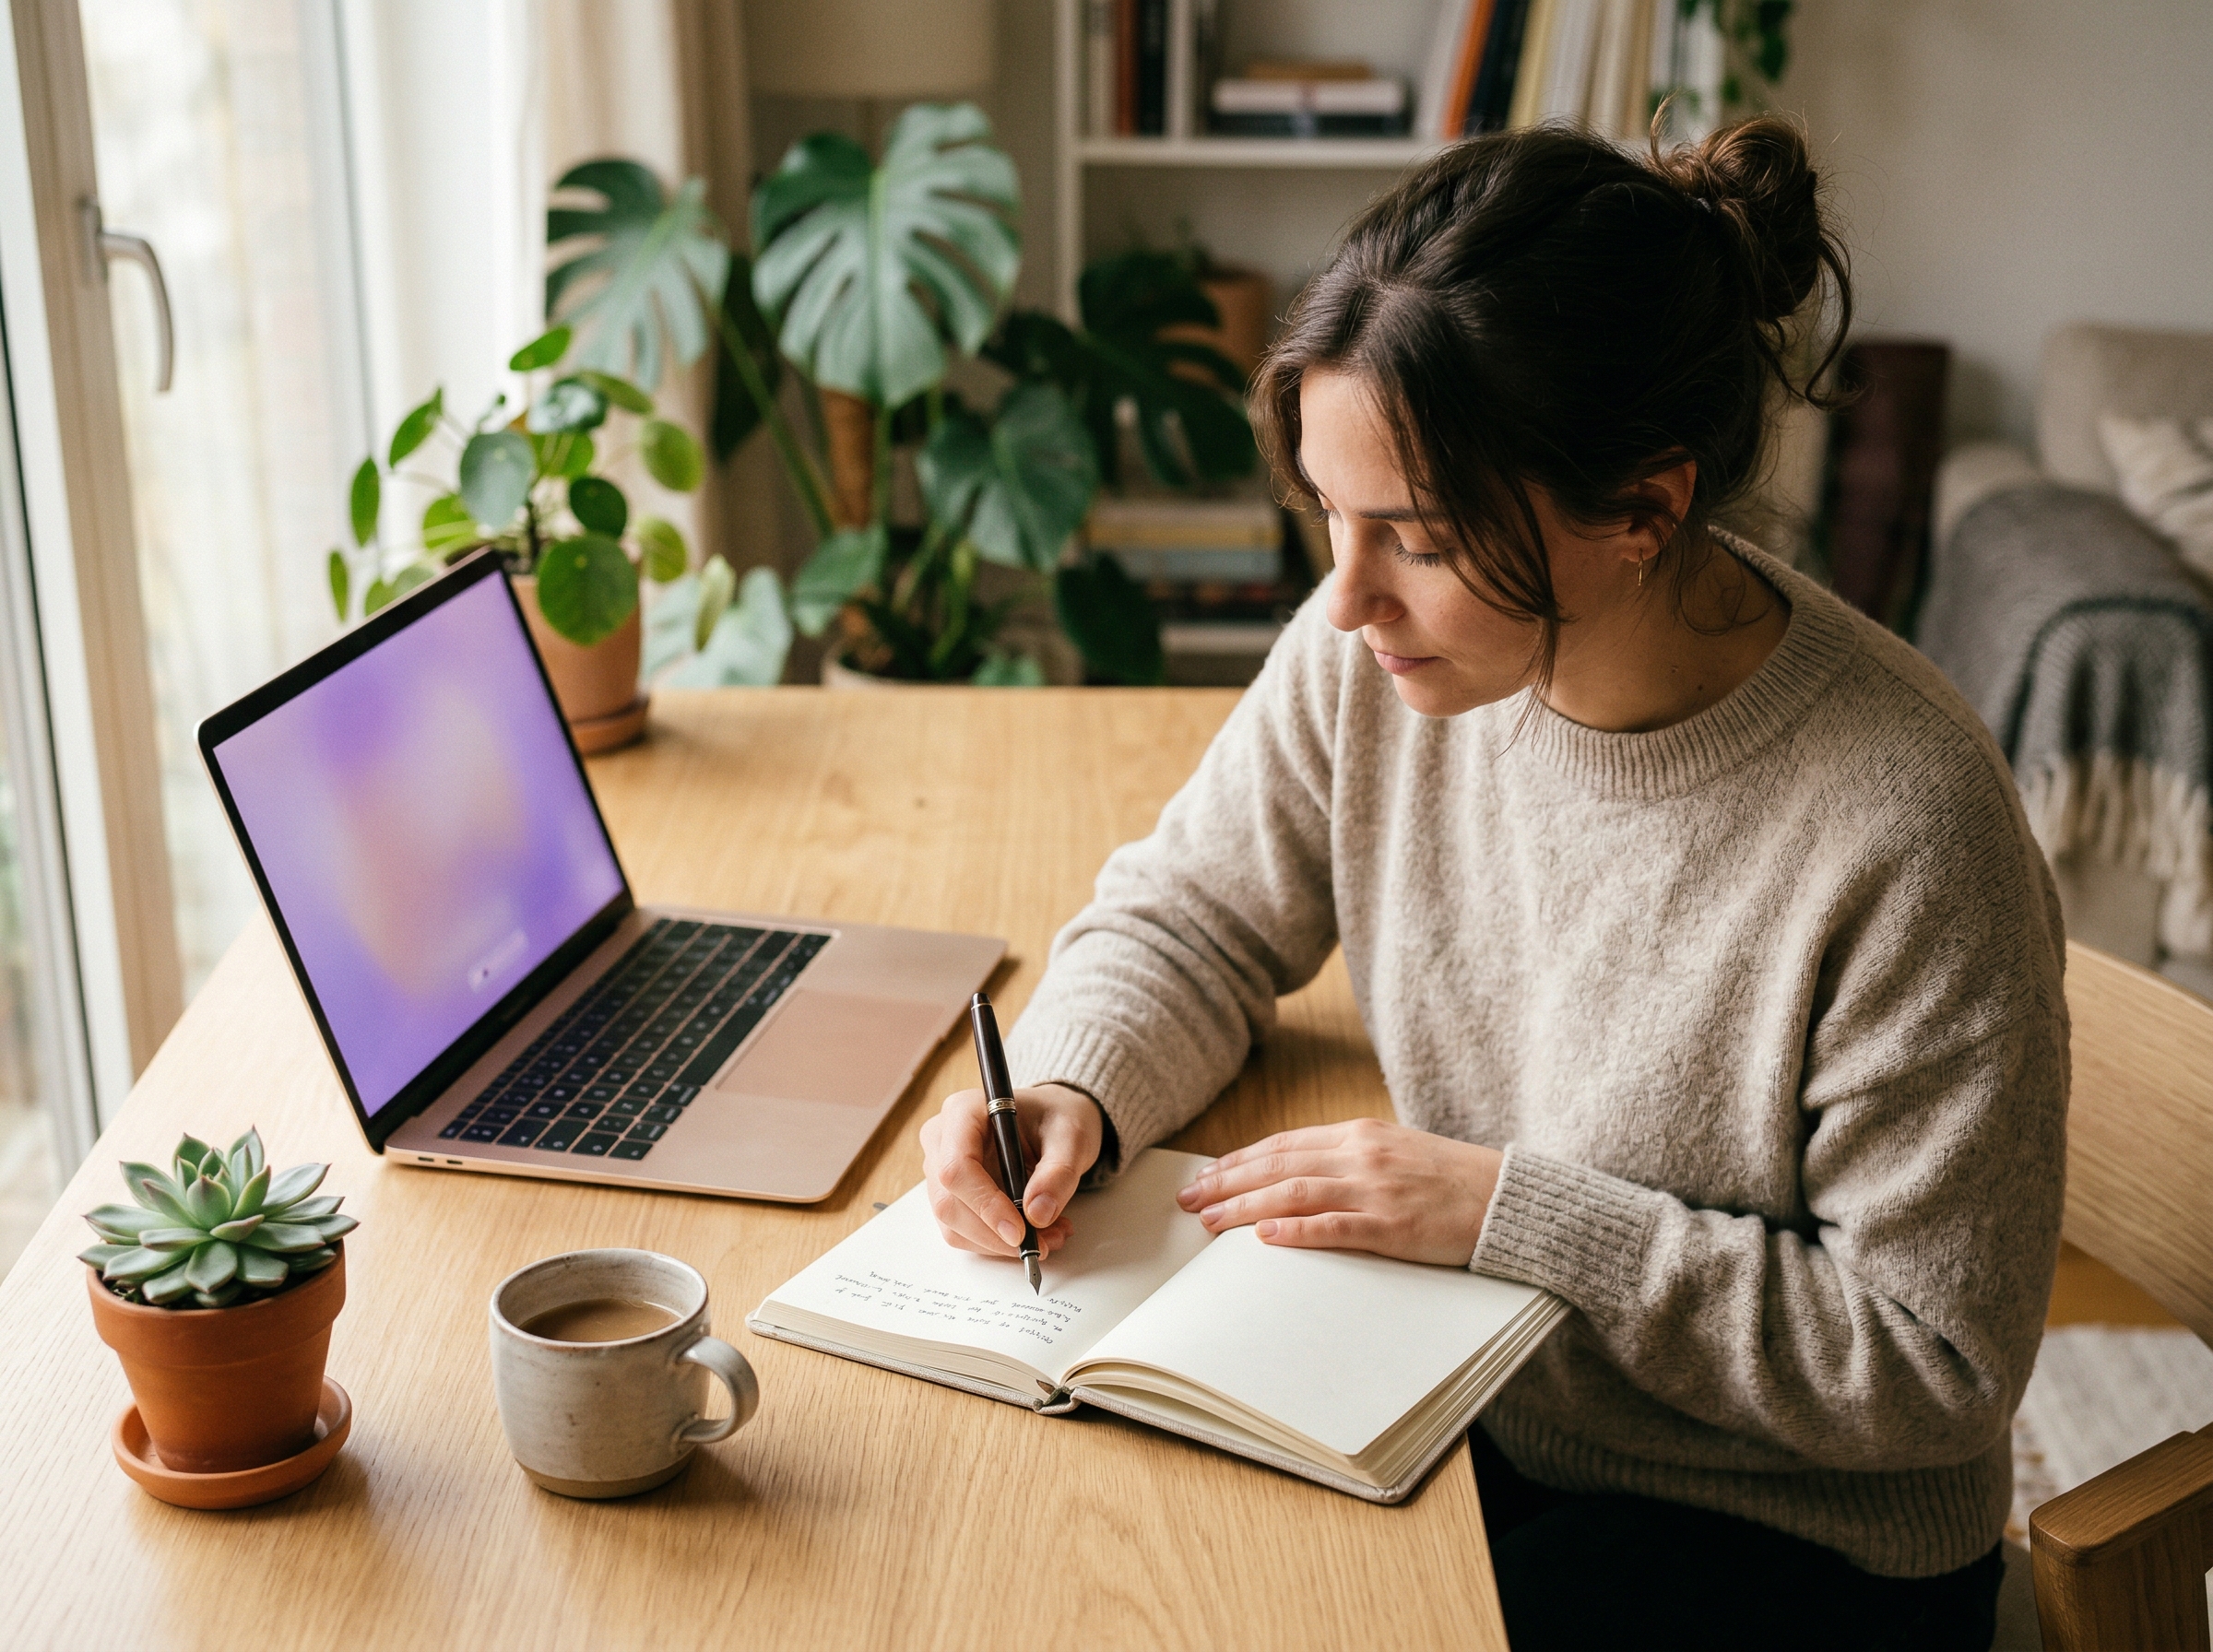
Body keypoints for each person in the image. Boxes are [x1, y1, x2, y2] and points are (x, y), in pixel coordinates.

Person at [920, 115, 2064, 1651]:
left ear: (1645, 512)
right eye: (1330, 515)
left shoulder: (1909, 825)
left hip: (1792, 1546)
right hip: (1468, 1408)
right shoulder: (1387, 663)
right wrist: (1072, 1088)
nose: (1345, 597)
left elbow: (1933, 1365)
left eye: (1417, 538)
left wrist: (1515, 1221)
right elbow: (1194, 909)